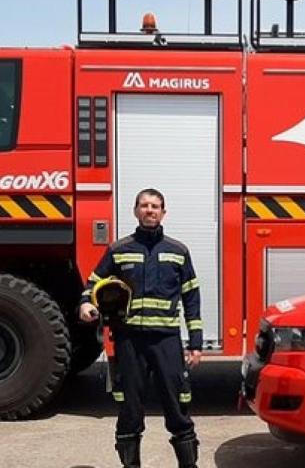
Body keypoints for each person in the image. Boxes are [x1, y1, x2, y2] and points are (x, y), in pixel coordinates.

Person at [79, 188, 202, 468]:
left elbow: (192, 297)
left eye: (155, 206)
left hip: (167, 342)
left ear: (163, 212)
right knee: (130, 410)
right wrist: (86, 304)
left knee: (178, 406)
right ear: (136, 211)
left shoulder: (178, 251)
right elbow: (92, 284)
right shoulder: (118, 250)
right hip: (129, 341)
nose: (150, 210)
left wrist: (195, 343)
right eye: (144, 205)